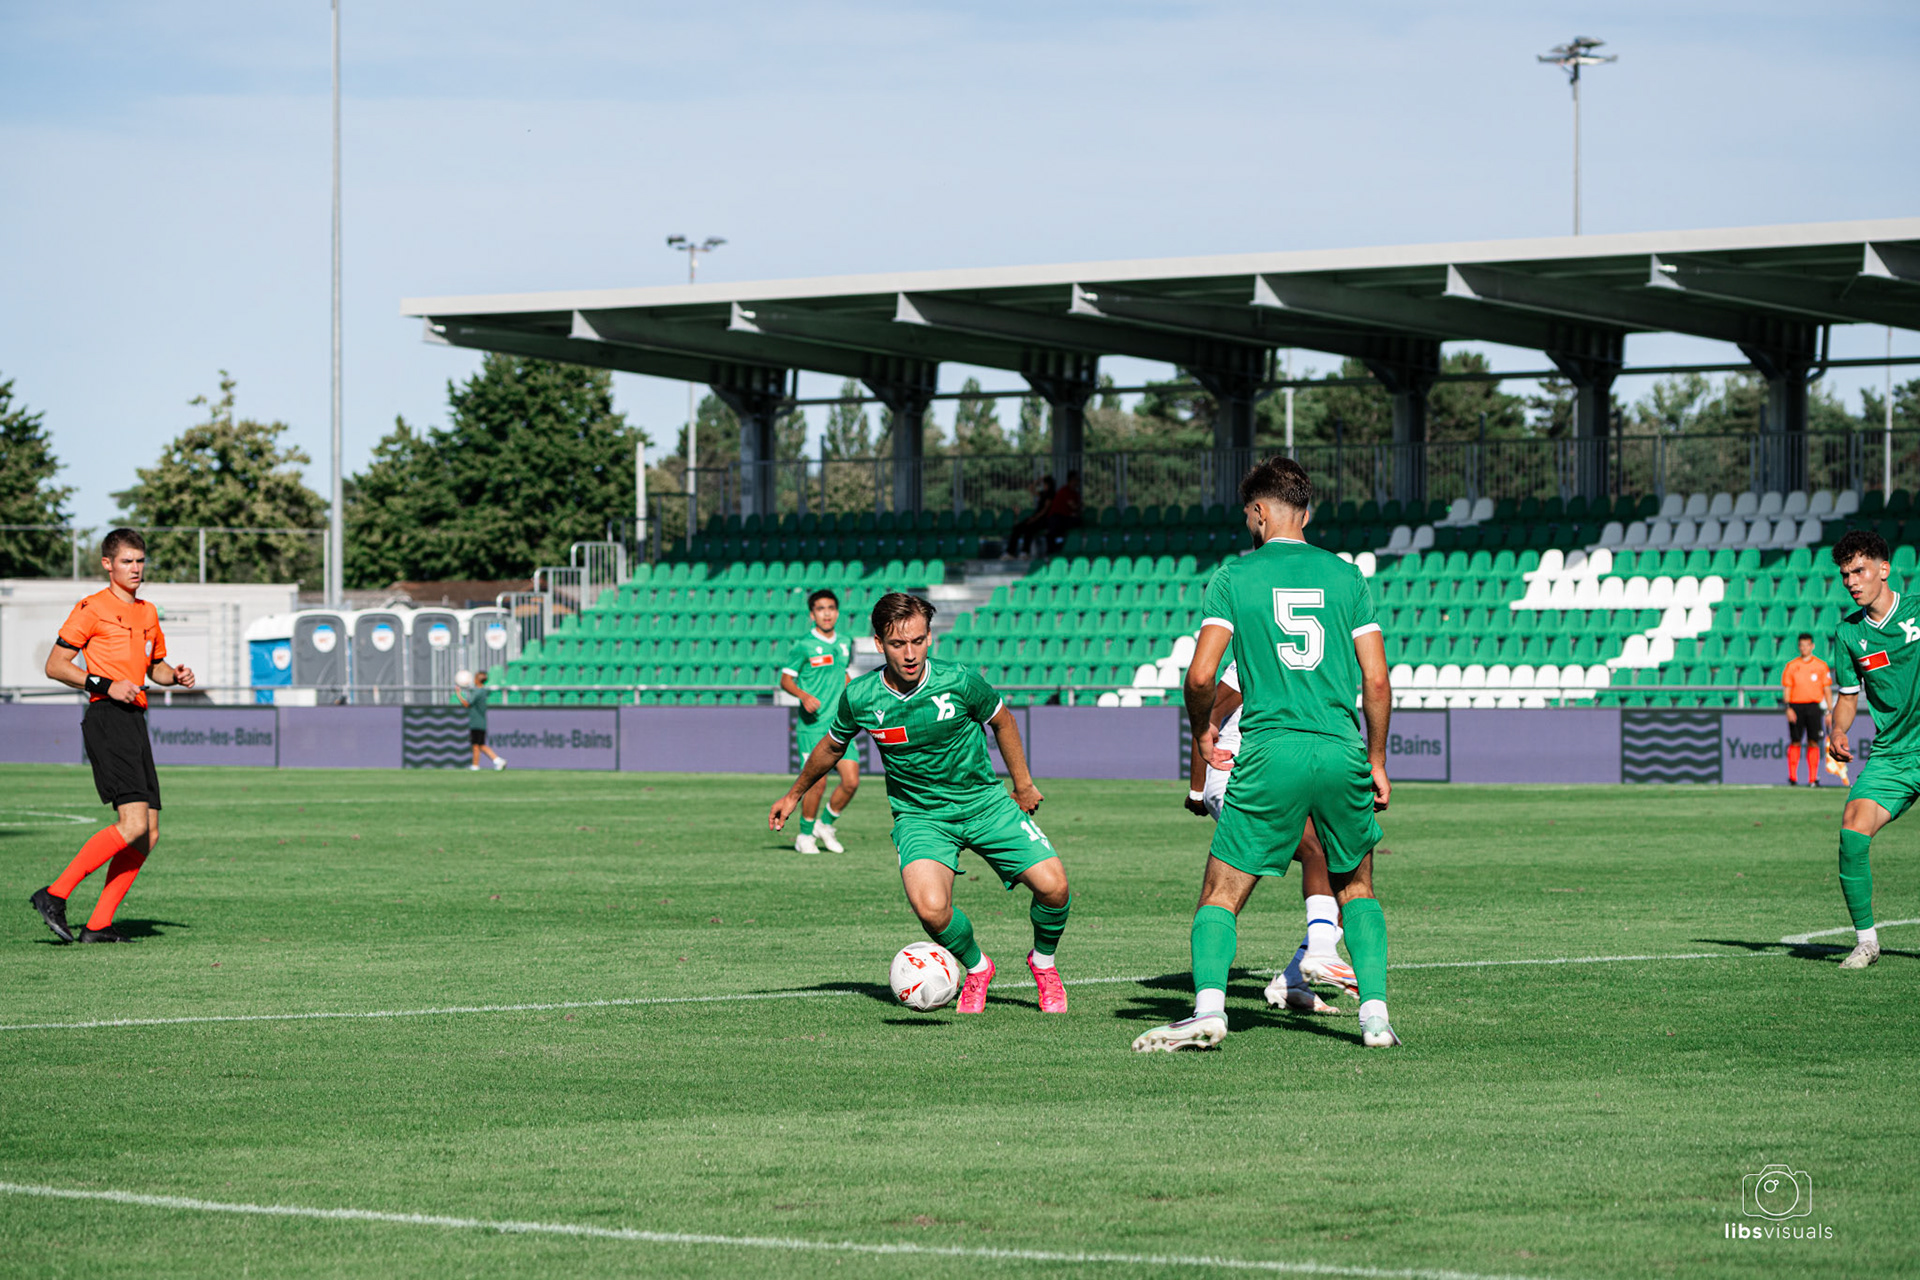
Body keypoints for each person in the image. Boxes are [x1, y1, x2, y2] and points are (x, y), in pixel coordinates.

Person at [1134, 456, 1397, 1052]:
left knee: (1221, 893)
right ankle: (1375, 1018)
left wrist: (1203, 733)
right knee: (1356, 885)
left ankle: (1207, 1010)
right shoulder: (1348, 578)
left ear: (1258, 512)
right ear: (1306, 511)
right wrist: (1376, 759)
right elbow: (1376, 683)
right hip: (1339, 748)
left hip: (1269, 750)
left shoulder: (1234, 578)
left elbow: (1202, 676)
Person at [769, 592, 1071, 1013]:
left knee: (1054, 888)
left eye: (917, 641)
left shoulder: (960, 680)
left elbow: (1002, 719)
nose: (909, 654)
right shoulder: (861, 696)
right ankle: (978, 967)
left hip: (983, 802)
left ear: (929, 637)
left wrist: (1022, 784)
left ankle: (1044, 965)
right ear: (878, 643)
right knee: (931, 910)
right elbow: (832, 746)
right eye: (897, 644)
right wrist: (794, 794)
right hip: (920, 816)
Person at [28, 528, 195, 944]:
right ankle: (54, 894)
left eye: (140, 561)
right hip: (107, 718)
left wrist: (173, 676)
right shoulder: (91, 608)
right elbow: (55, 664)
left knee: (149, 832)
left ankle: (99, 925)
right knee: (132, 822)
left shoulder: (148, 611)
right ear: (107, 564)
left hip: (135, 719)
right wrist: (103, 684)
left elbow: (154, 667)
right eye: (127, 561)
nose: (136, 568)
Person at [1189, 658, 1354, 1014]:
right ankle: (1208, 1002)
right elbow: (1208, 718)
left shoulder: (1321, 659)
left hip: (1281, 775)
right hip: (1240, 773)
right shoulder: (1252, 654)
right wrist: (1197, 789)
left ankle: (1295, 978)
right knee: (1318, 852)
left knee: (1346, 867)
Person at [1821, 530, 1920, 970]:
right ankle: (1866, 941)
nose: (1852, 581)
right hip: (1893, 755)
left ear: (1884, 569)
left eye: (1859, 571)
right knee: (1851, 831)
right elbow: (1847, 697)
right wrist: (1838, 732)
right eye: (1845, 575)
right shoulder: (1848, 634)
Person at [778, 588, 860, 854]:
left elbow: (842, 675)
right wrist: (803, 695)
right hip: (812, 727)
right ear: (812, 614)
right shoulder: (803, 645)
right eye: (821, 609)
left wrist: (854, 698)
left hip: (839, 726)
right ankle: (804, 835)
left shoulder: (845, 641)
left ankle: (825, 824)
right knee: (817, 781)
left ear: (837, 612)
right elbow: (785, 679)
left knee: (851, 781)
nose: (827, 613)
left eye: (831, 608)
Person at [1781, 632, 1833, 787]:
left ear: (1812, 646)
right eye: (1801, 645)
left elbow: (1827, 689)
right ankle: (1793, 777)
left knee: (1813, 742)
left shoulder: (1821, 666)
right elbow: (1787, 689)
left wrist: (1829, 711)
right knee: (1795, 741)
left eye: (1807, 645)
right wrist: (1788, 708)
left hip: (1813, 707)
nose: (1804, 648)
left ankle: (1812, 779)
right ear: (1799, 646)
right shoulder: (1791, 666)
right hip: (1796, 706)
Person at [457, 672, 506, 771]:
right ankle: (487, 762)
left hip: (476, 722)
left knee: (477, 745)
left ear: (478, 680)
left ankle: (489, 762)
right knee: (479, 745)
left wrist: (458, 693)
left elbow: (467, 704)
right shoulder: (483, 691)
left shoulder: (478, 691)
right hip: (481, 722)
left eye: (475, 678)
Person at [1004, 474, 1055, 559]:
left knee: (1029, 529)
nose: (1044, 486)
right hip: (1035, 518)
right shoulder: (1043, 493)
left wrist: (1035, 518)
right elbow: (1031, 489)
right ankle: (1010, 552)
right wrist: (1038, 481)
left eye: (1045, 484)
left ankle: (1025, 552)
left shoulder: (1051, 495)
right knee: (1017, 528)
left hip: (1043, 520)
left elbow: (1045, 510)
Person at [1043, 469, 1084, 555]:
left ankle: (1061, 548)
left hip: (1065, 519)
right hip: (1056, 518)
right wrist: (1079, 506)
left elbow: (1077, 510)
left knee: (1077, 523)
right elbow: (1074, 507)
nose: (1078, 482)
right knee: (1052, 533)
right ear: (1071, 480)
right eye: (1076, 480)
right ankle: (1052, 552)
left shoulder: (1075, 494)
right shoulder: (1064, 491)